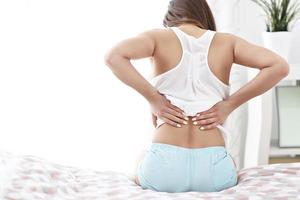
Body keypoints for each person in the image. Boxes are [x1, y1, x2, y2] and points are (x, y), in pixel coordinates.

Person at [104, 0, 289, 193]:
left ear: (170, 18)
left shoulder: (158, 38)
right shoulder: (227, 42)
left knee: (140, 158)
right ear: (205, 15)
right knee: (230, 161)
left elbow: (113, 56)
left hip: (161, 170)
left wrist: (154, 99)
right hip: (214, 172)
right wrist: (229, 105)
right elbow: (279, 66)